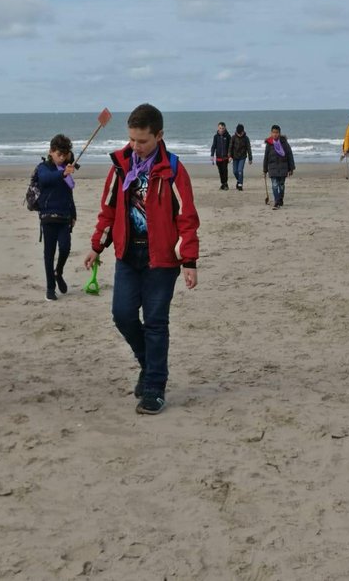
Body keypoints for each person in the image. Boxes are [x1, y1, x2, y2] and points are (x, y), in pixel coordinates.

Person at [83, 104, 199, 416]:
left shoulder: (173, 169)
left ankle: (155, 387)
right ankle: (149, 364)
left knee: (156, 322)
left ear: (159, 136)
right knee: (122, 315)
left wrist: (188, 261)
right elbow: (108, 210)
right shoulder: (121, 166)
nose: (136, 146)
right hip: (127, 255)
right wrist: (97, 246)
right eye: (132, 139)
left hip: (161, 260)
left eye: (143, 141)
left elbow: (187, 217)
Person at [36, 133, 78, 301]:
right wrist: (63, 174)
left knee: (66, 247)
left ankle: (58, 272)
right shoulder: (43, 167)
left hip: (64, 216)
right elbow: (45, 179)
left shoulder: (66, 168)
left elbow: (69, 194)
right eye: (58, 154)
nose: (61, 158)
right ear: (51, 152)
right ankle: (50, 287)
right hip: (47, 216)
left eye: (64, 155)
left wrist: (73, 213)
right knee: (49, 253)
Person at [262, 124, 295, 208]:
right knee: (274, 185)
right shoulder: (269, 144)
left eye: (276, 132)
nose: (275, 134)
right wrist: (265, 169)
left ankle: (280, 199)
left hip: (283, 167)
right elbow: (266, 157)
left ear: (279, 133)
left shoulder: (284, 143)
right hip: (272, 168)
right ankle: (276, 201)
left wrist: (291, 168)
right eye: (273, 132)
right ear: (271, 133)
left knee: (281, 185)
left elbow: (289, 155)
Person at [229, 123, 253, 190]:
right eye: (238, 133)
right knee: (235, 171)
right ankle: (239, 180)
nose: (239, 134)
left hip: (242, 157)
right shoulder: (233, 137)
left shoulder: (246, 138)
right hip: (235, 157)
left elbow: (249, 148)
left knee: (240, 170)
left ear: (243, 131)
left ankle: (240, 185)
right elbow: (230, 147)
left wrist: (250, 158)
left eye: (241, 133)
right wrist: (230, 156)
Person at [211, 121, 232, 190]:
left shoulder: (228, 136)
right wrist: (212, 155)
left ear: (225, 128)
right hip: (218, 158)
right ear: (218, 128)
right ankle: (223, 184)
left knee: (224, 170)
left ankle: (226, 184)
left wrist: (230, 156)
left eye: (223, 128)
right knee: (220, 172)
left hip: (225, 158)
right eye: (220, 128)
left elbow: (230, 147)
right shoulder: (216, 137)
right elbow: (213, 146)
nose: (222, 130)